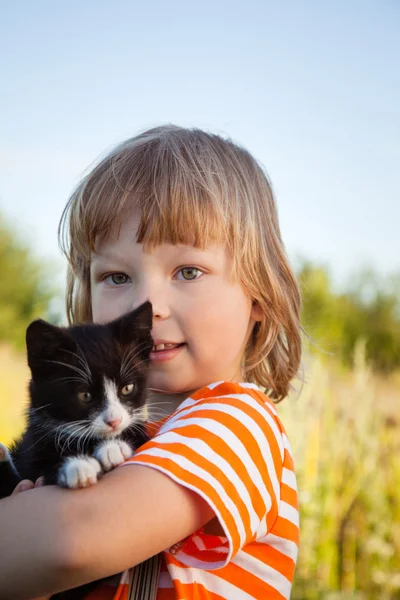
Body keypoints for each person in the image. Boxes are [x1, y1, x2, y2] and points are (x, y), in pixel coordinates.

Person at [0, 125, 301, 600]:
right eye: (117, 275)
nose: (148, 303)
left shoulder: (237, 422)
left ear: (260, 293)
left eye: (188, 271)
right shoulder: (83, 427)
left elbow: (71, 542)